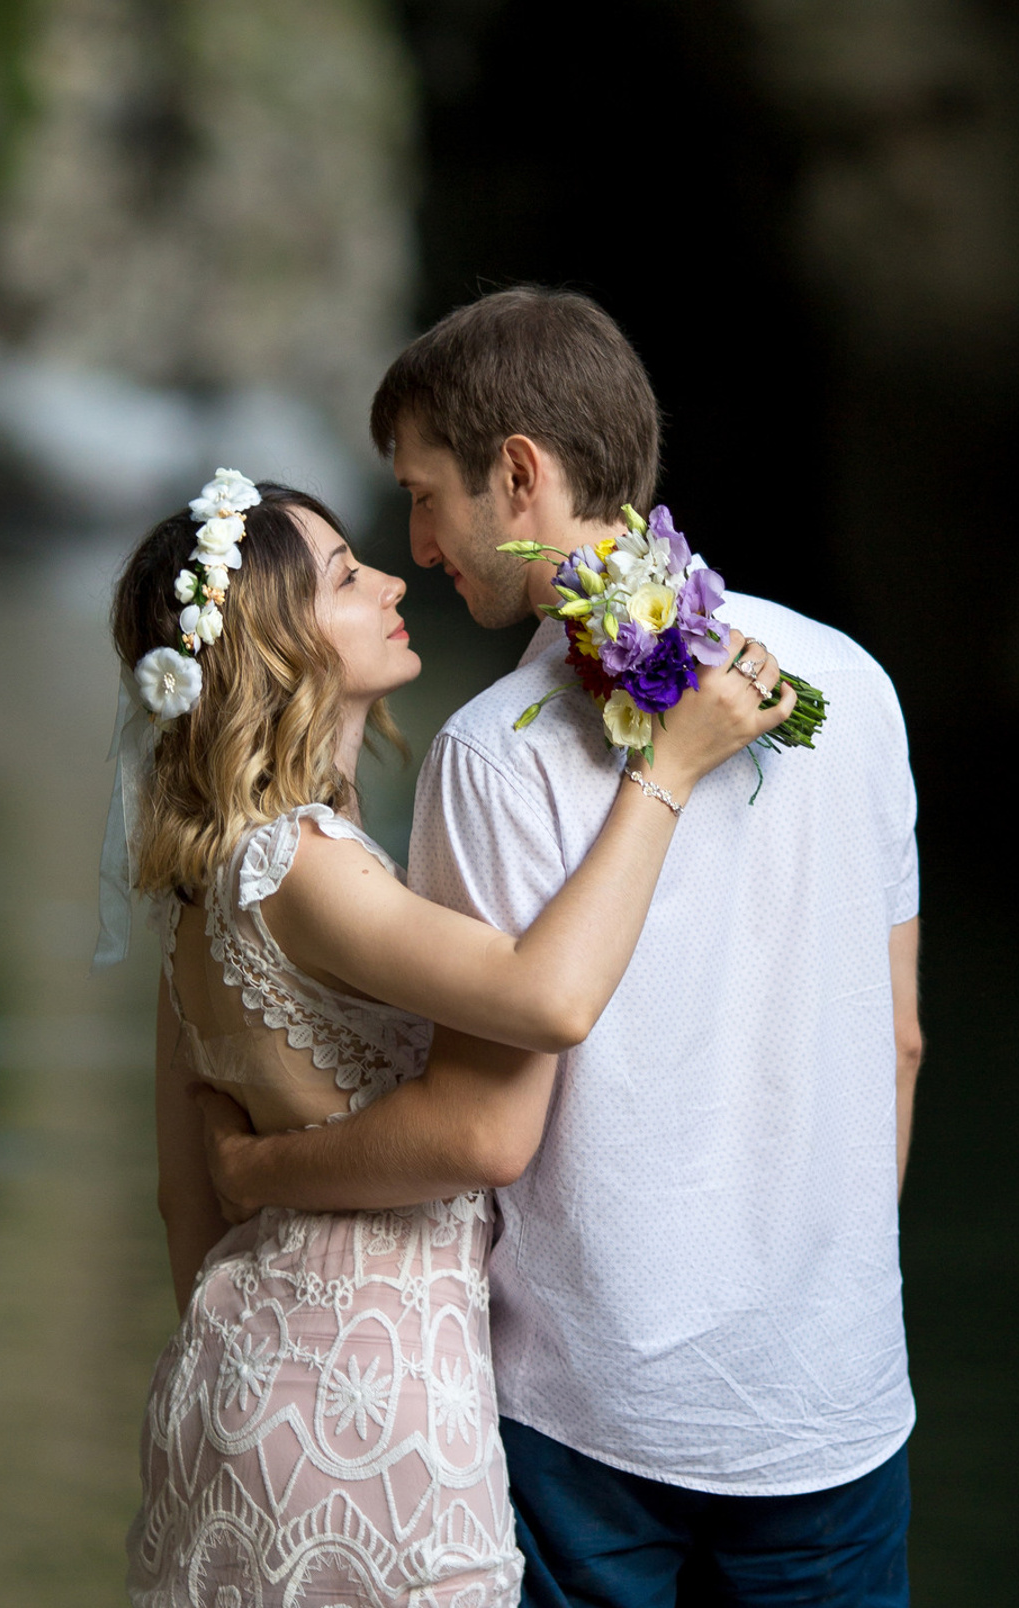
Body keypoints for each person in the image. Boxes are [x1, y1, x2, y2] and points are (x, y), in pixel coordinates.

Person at [196, 289, 925, 1608]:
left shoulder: (492, 753)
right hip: (834, 1402)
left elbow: (483, 1128)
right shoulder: (851, 690)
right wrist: (819, 1309)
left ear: (517, 476)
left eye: (423, 498)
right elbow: (904, 1042)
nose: (415, 547)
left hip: (594, 1426)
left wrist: (254, 1166)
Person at [112, 469, 785, 1608]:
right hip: (380, 1403)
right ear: (279, 643)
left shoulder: (204, 880)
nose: (387, 576)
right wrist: (664, 775)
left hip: (232, 1381)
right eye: (342, 576)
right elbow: (546, 998)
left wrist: (256, 1377)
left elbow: (188, 1200)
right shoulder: (304, 866)